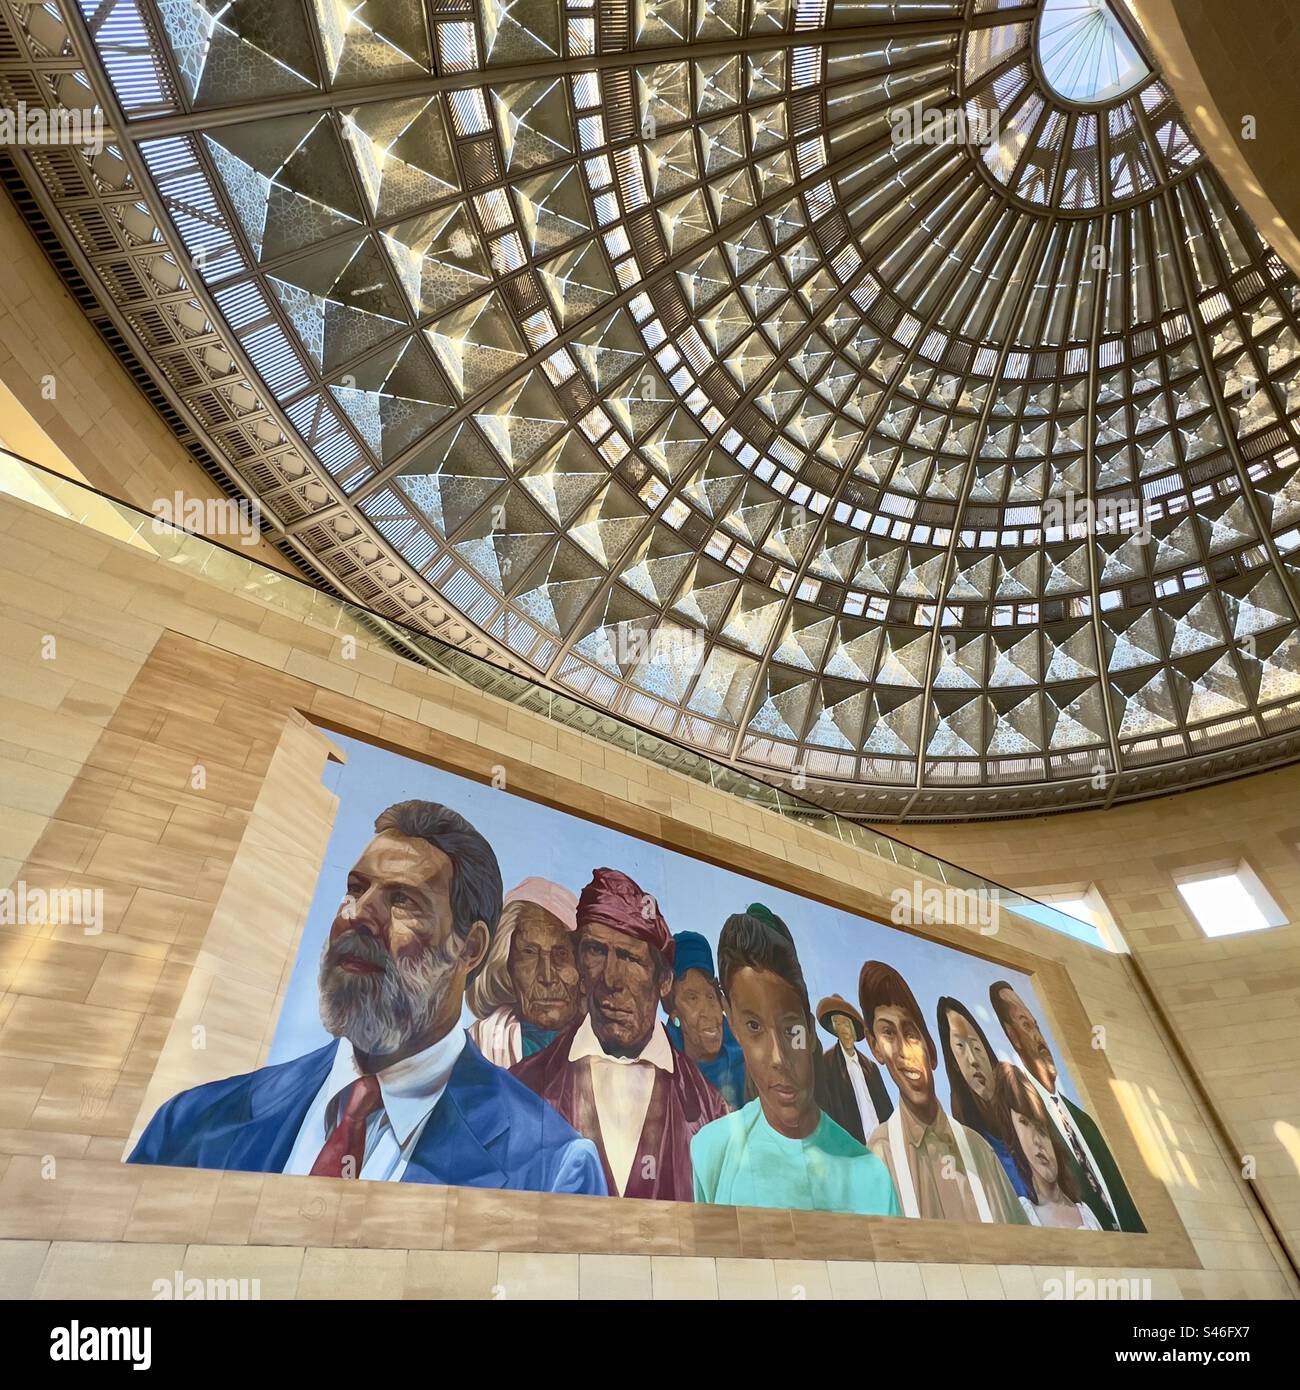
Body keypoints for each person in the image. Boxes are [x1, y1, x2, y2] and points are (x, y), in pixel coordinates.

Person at [129, 801, 606, 1196]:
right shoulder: (192, 1123)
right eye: (356, 888)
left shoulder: (552, 1169)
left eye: (403, 900)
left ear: (471, 948)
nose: (359, 914)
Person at [511, 868, 728, 1200]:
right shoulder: (524, 1088)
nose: (611, 978)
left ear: (664, 980)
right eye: (596, 951)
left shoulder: (710, 1113)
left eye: (629, 957)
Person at [690, 906, 900, 1216]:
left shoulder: (871, 1176)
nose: (779, 1058)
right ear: (731, 1021)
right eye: (754, 1027)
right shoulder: (711, 1151)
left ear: (812, 1030)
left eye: (792, 1030)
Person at [859, 961, 1027, 1225]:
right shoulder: (880, 1155)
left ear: (932, 1051)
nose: (903, 1051)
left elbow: (1025, 1249)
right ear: (875, 1047)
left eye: (911, 1034)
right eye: (888, 1033)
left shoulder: (979, 1150)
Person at [989, 980, 1142, 1232]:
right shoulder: (1020, 1120)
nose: (1039, 1037)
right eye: (1026, 1026)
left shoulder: (1084, 1122)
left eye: (1037, 1026)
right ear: (1012, 1035)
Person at [468, 877, 582, 1068]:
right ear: (507, 965)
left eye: (561, 954)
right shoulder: (477, 1049)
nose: (547, 977)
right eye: (529, 953)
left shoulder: (609, 1048)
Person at [936, 996, 1029, 1201]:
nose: (973, 1059)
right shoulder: (965, 1144)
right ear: (954, 1064)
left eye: (977, 1047)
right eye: (960, 1047)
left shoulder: (1024, 1111)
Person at [992, 1062, 1103, 1229]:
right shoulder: (1023, 1214)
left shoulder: (1085, 1214)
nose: (1037, 1140)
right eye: (1024, 1122)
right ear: (1012, 1132)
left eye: (1040, 1127)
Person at [663, 930, 746, 1111]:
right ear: (673, 1012)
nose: (708, 1012)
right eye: (692, 998)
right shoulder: (661, 1072)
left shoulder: (748, 1068)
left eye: (710, 996)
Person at [814, 993, 893, 1145]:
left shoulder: (871, 1067)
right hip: (851, 1150)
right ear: (834, 1029)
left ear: (854, 1029)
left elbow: (886, 1110)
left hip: (882, 1146)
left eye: (846, 1024)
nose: (844, 1030)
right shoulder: (826, 1064)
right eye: (838, 1025)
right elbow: (825, 1116)